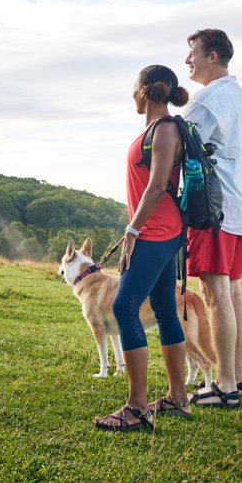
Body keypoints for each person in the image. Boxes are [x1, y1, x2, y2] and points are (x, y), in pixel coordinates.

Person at [94, 65, 193, 431]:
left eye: (133, 89)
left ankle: (136, 408)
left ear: (146, 92)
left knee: (123, 306)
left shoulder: (165, 129)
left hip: (156, 233)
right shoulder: (155, 130)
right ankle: (178, 398)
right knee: (166, 310)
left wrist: (132, 231)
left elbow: (155, 187)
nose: (131, 96)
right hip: (160, 230)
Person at [181, 29, 242, 408]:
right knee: (232, 291)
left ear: (213, 56)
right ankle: (237, 379)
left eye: (192, 52)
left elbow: (179, 145)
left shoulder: (209, 100)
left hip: (215, 207)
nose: (187, 61)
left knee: (214, 293)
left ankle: (224, 385)